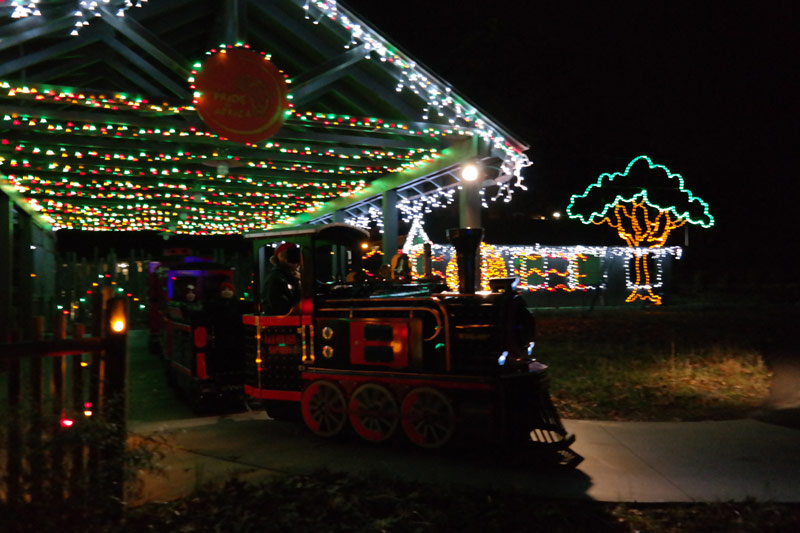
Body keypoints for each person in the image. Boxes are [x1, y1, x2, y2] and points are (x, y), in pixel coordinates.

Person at [262, 242, 301, 315]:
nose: (298, 263)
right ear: (283, 258)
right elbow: (278, 308)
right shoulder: (277, 278)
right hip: (280, 323)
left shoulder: (288, 277)